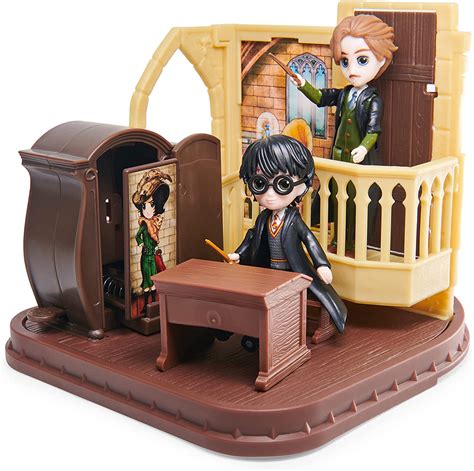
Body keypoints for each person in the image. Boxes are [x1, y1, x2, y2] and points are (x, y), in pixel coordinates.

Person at [292, 15, 397, 253]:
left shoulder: (373, 99)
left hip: (358, 162)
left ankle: (352, 243)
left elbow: (373, 130)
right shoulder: (344, 94)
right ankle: (337, 240)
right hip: (339, 158)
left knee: (355, 203)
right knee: (337, 200)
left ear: (381, 60)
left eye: (362, 60)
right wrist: (302, 84)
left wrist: (364, 147)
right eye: (345, 61)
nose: (352, 70)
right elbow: (320, 98)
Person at [228, 135, 347, 333]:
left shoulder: (293, 220)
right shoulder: (263, 219)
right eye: (260, 183)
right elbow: (251, 237)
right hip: (267, 269)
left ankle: (285, 329)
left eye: (283, 184)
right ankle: (258, 329)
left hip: (291, 270)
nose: (270, 194)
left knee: (289, 297)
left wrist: (322, 264)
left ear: (302, 185)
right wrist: (238, 254)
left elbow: (310, 240)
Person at [132, 168, 172, 313]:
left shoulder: (155, 222)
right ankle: (146, 305)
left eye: (152, 205)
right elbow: (138, 236)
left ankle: (155, 303)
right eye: (144, 206)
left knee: (154, 278)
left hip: (153, 255)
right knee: (147, 280)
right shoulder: (144, 226)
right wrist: (141, 243)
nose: (148, 210)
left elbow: (155, 235)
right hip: (145, 255)